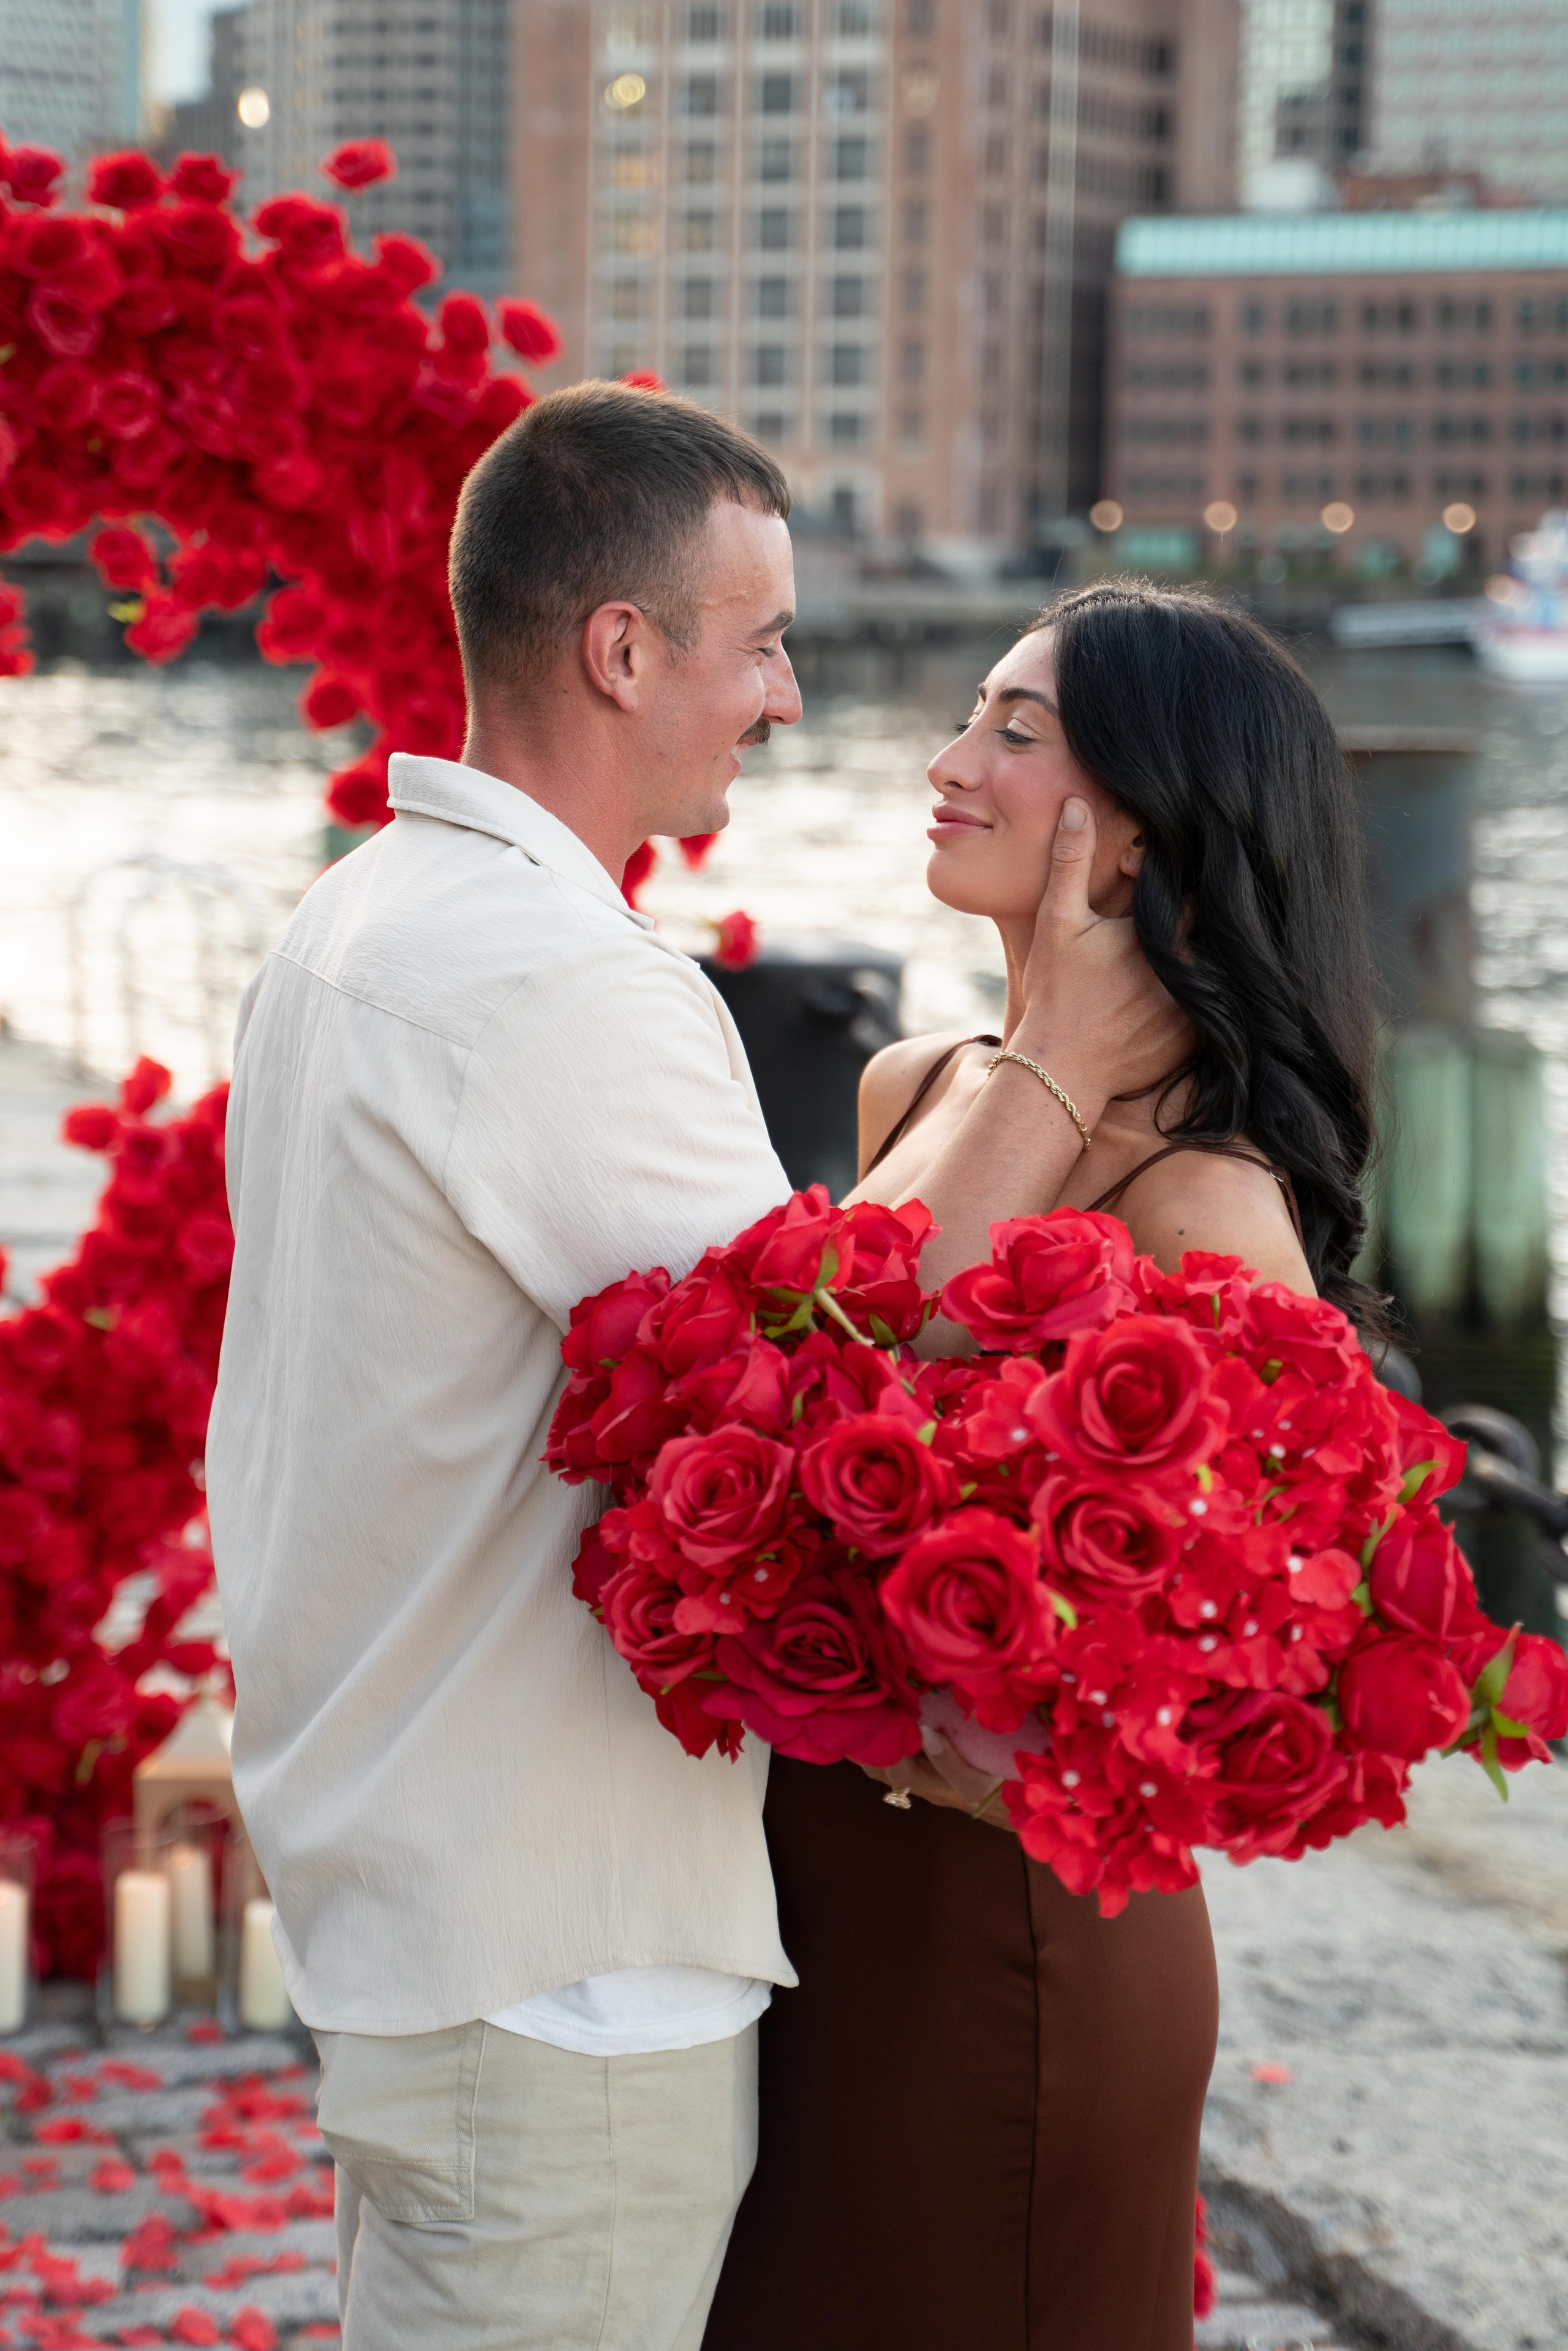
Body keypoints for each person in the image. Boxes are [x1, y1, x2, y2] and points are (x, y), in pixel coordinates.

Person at [205, 390, 1181, 2351]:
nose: (789, 699)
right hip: (558, 1971)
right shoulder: (561, 981)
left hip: (418, 1901)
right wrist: (1067, 1057)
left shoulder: (357, 917)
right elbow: (816, 1375)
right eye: (764, 644)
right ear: (623, 650)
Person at [703, 580, 1383, 2351]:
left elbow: (1280, 1641)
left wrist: (1010, 1729)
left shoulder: (1207, 1194)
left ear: (1142, 825)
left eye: (1016, 732)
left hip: (1012, 1932)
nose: (949, 763)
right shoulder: (914, 1084)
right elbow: (800, 1405)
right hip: (803, 1898)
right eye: (969, 717)